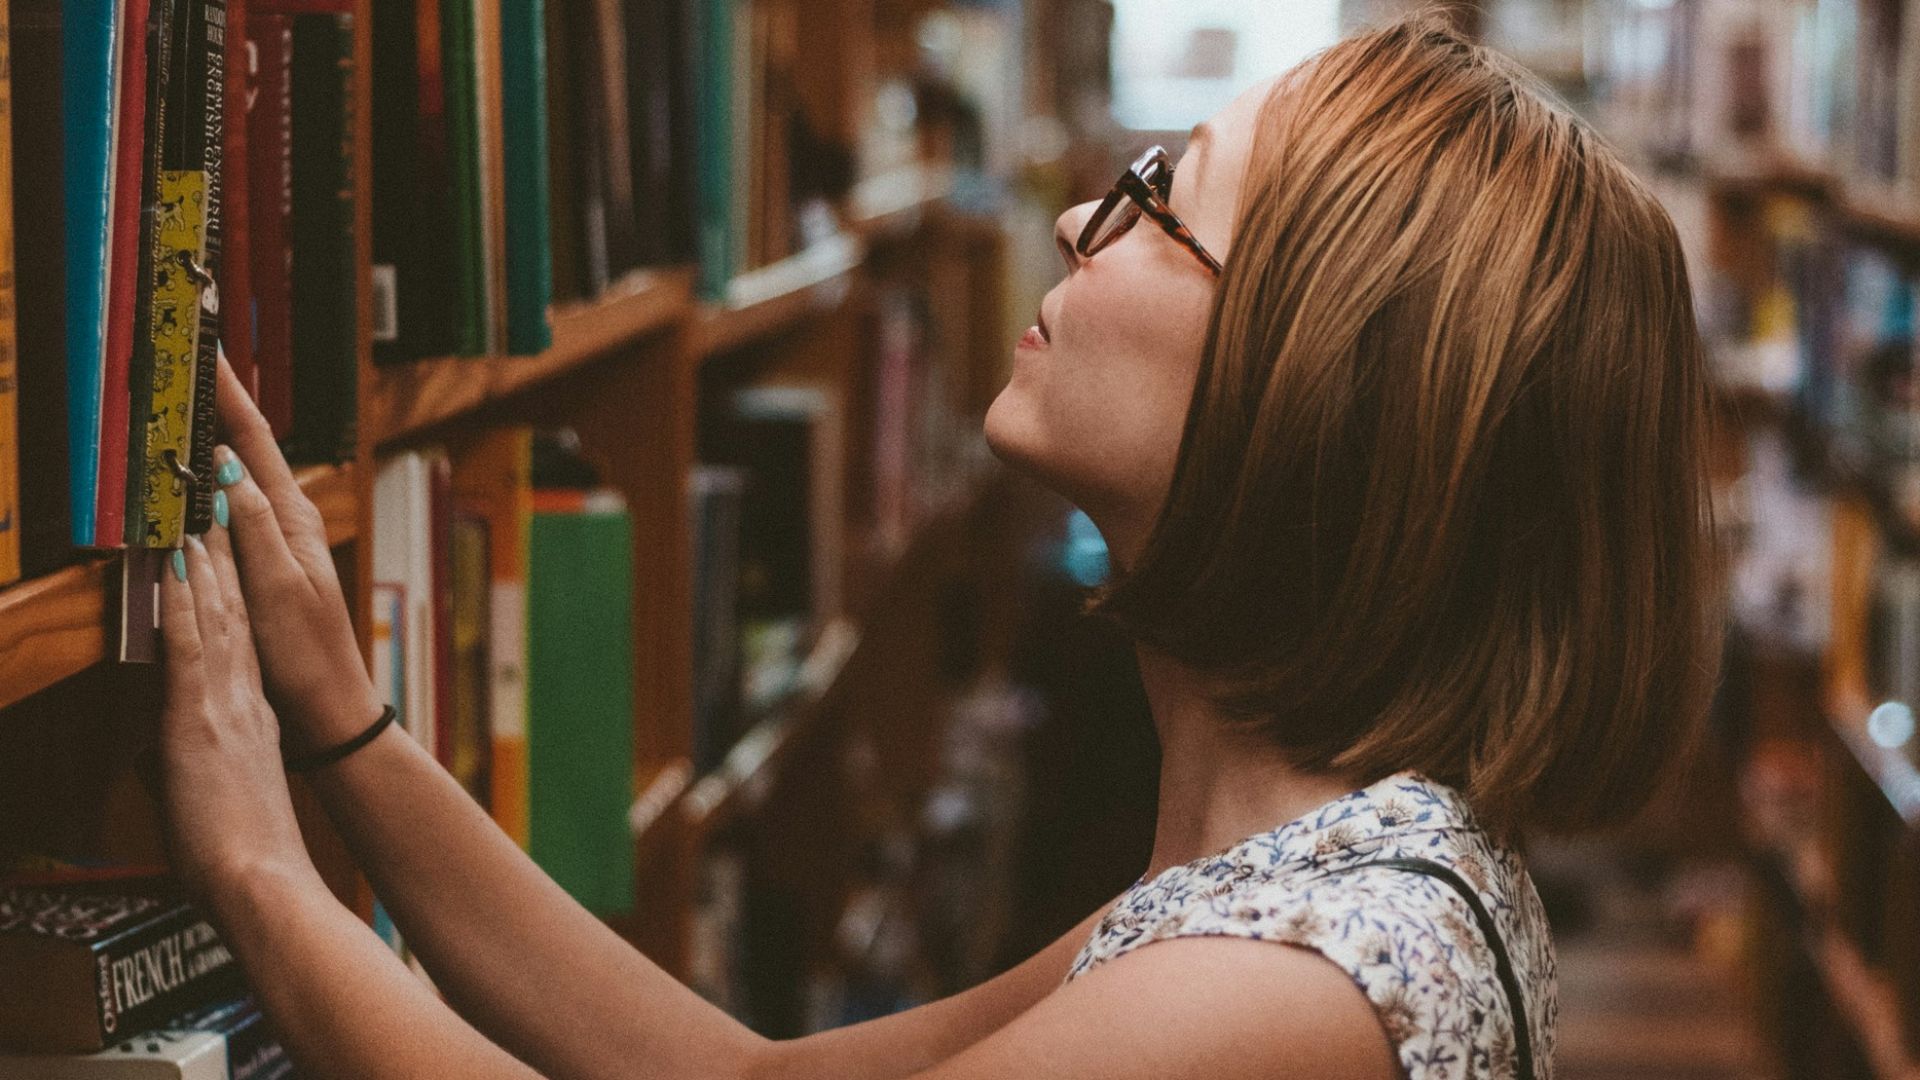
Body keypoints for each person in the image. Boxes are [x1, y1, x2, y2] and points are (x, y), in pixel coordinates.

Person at [146, 14, 1724, 1079]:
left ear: (1311, 389)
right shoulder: (1293, 879)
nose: (1073, 226)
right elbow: (735, 1075)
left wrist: (260, 883)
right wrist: (347, 732)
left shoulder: (1285, 987)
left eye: (1155, 199)